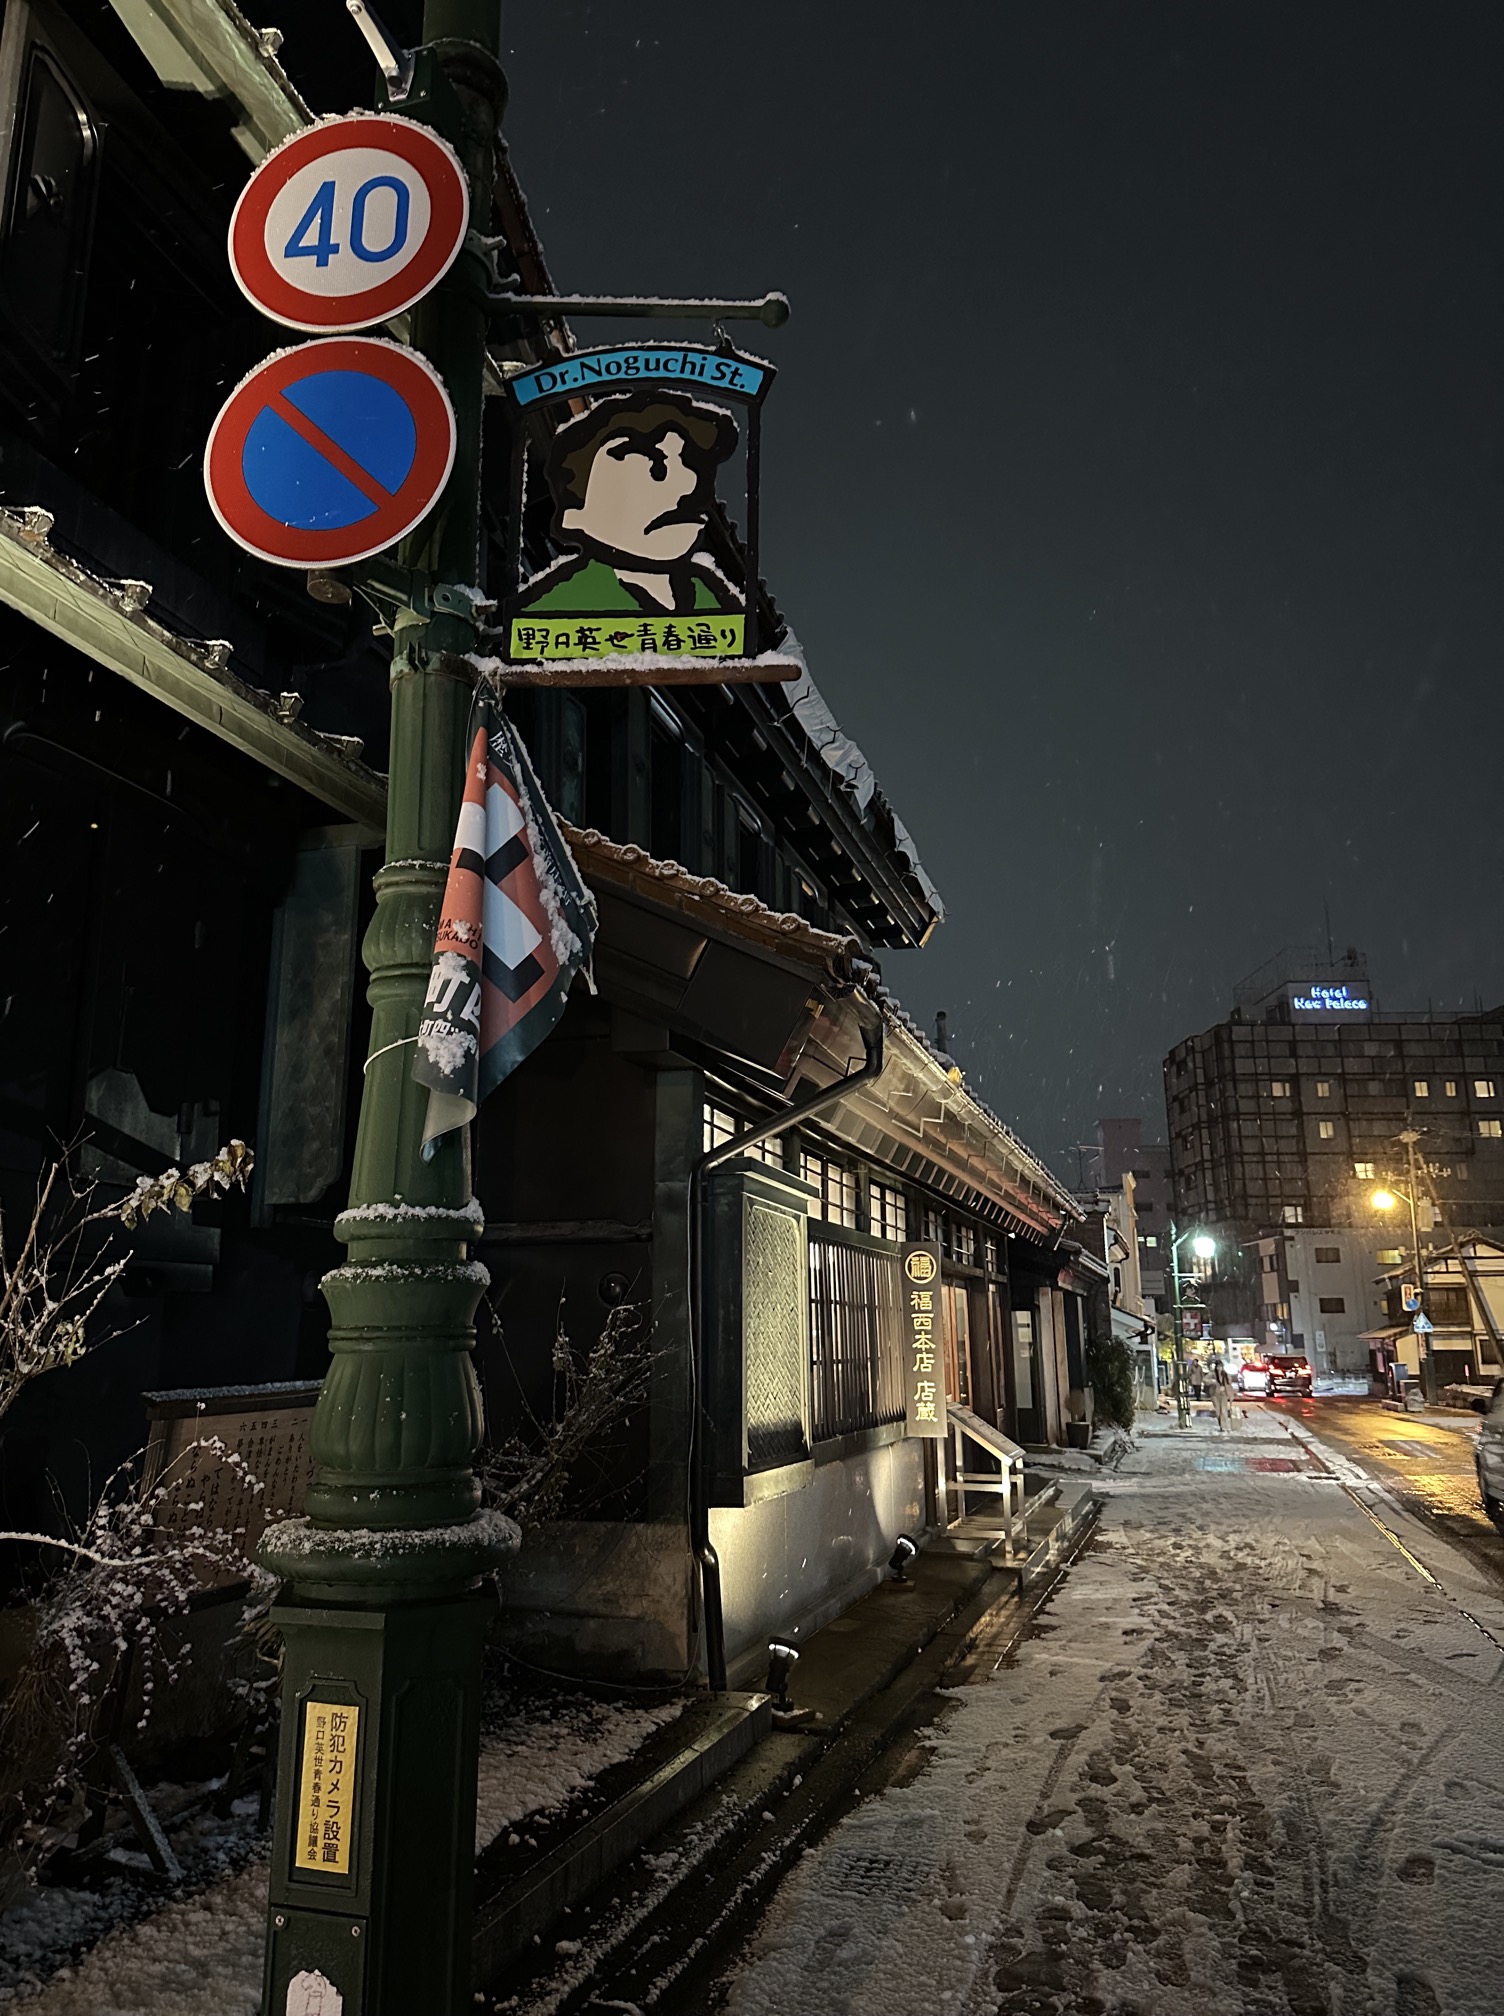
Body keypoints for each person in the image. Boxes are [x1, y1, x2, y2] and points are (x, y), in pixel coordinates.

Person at [515, 389, 741, 618]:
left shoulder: (712, 599)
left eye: (689, 464)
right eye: (654, 469)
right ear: (576, 514)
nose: (689, 485)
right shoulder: (554, 614)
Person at [1210, 1359, 1235, 1432]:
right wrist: (1213, 1381)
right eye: (1218, 1367)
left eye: (1220, 1366)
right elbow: (1205, 1380)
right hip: (1215, 1395)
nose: (1219, 1368)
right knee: (1218, 1411)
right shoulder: (1212, 1374)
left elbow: (1229, 1385)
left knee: (1223, 1411)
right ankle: (1221, 1424)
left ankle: (1224, 1425)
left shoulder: (1226, 1374)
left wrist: (1231, 1395)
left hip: (1224, 1394)